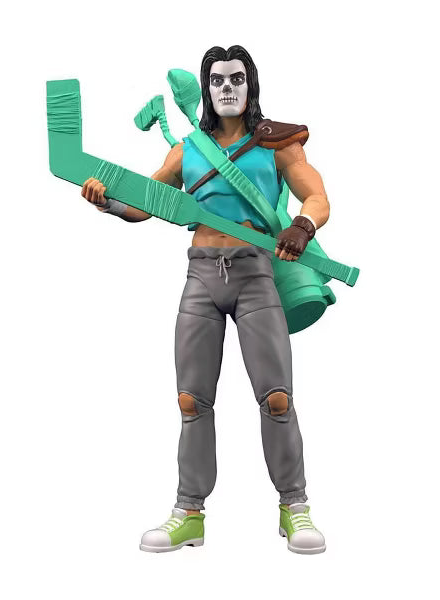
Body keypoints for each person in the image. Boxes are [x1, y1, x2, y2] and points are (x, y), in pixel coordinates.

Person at [81, 45, 330, 554]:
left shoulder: (276, 142)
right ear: (207, 88)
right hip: (201, 275)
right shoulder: (188, 149)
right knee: (191, 400)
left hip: (255, 274)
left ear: (250, 84)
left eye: (236, 78)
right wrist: (107, 201)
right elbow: (145, 202)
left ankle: (295, 505)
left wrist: (303, 225)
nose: (227, 88)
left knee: (277, 396)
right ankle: (188, 512)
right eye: (217, 80)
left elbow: (318, 196)